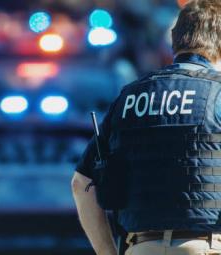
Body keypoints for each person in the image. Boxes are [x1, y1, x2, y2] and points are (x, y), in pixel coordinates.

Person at [71, 1, 221, 254]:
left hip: (139, 247)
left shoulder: (129, 97)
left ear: (176, 40)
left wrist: (108, 252)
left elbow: (81, 184)